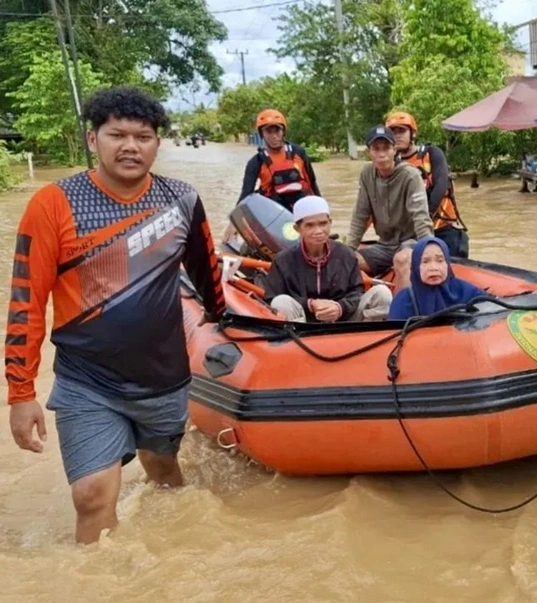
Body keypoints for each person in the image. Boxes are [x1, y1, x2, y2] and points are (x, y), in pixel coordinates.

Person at [4, 86, 227, 545]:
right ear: (93, 140)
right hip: (88, 382)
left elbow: (208, 275)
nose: (130, 146)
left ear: (157, 143)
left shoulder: (182, 200)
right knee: (91, 496)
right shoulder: (53, 205)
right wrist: (20, 393)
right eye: (117, 134)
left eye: (142, 136)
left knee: (165, 474)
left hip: (164, 378)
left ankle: (171, 566)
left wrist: (229, 327)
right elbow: (27, 302)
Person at [264, 195, 392, 322]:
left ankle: (369, 338)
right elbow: (271, 299)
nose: (318, 231)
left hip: (345, 321)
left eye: (323, 223)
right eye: (310, 225)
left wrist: (339, 307)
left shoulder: (346, 254)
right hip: (303, 325)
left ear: (330, 223)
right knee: (280, 302)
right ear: (297, 229)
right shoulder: (283, 260)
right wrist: (310, 304)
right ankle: (295, 341)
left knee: (382, 293)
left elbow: (357, 292)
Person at [345, 125, 434, 290]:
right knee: (347, 260)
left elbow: (421, 216)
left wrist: (428, 248)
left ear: (394, 150)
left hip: (410, 241)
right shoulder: (366, 173)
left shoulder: (410, 175)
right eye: (376, 149)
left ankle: (401, 312)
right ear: (369, 152)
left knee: (402, 259)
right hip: (385, 244)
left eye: (386, 148)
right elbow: (360, 215)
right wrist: (347, 249)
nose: (381, 154)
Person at [385, 111, 470, 258]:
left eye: (402, 131)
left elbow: (441, 185)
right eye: (393, 132)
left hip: (442, 229)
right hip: (411, 233)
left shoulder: (432, 154)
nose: (397, 135)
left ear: (413, 134)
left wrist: (425, 218)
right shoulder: (389, 165)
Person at [237, 109, 320, 211]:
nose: (274, 136)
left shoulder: (299, 153)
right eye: (269, 131)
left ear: (283, 131)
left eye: (277, 130)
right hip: (274, 213)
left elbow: (312, 182)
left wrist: (321, 208)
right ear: (262, 134)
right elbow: (246, 195)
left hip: (301, 210)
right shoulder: (255, 163)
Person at [388, 237, 487, 321]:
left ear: (447, 264)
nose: (433, 267)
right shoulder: (403, 300)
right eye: (425, 261)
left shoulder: (466, 291)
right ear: (415, 266)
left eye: (440, 260)